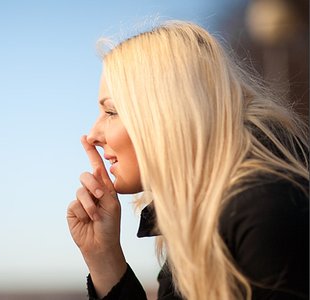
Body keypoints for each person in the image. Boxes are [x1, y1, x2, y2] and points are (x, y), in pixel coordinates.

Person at [67, 20, 309, 300]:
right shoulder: (203, 214)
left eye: (111, 112)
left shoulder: (264, 210)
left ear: (168, 114)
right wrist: (104, 258)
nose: (93, 135)